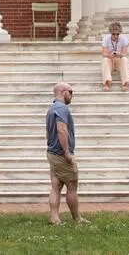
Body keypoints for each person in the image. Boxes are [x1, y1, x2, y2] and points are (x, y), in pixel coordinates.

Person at [46, 81, 82, 224]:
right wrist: (67, 153)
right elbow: (61, 129)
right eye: (71, 92)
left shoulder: (51, 109)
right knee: (72, 185)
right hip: (61, 154)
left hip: (52, 152)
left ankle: (54, 218)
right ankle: (77, 218)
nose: (72, 95)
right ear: (63, 92)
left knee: (56, 186)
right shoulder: (61, 109)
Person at [101, 21, 129, 91]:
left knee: (124, 59)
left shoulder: (124, 39)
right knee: (105, 60)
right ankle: (107, 83)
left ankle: (125, 83)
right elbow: (104, 53)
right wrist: (109, 55)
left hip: (119, 61)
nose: (115, 36)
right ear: (110, 33)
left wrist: (119, 54)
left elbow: (125, 53)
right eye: (113, 34)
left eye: (117, 34)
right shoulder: (105, 39)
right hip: (110, 61)